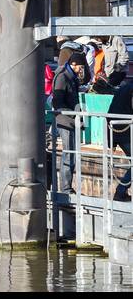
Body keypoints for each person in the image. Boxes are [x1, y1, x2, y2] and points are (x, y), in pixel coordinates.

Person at [50, 49, 85, 193]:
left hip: (71, 120)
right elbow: (58, 102)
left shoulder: (71, 76)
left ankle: (67, 187)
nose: (81, 70)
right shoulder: (63, 77)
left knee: (72, 154)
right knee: (68, 153)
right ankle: (65, 188)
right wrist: (74, 115)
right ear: (74, 64)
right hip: (65, 120)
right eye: (81, 67)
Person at [108, 73, 132, 201]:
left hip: (116, 130)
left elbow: (110, 111)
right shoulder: (130, 90)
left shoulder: (123, 88)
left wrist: (110, 143)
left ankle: (121, 191)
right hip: (125, 131)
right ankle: (120, 191)